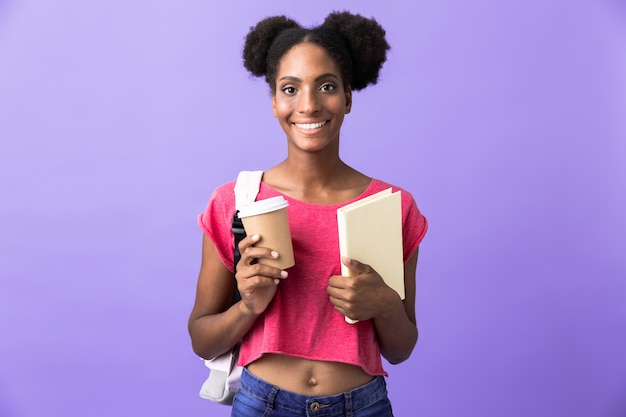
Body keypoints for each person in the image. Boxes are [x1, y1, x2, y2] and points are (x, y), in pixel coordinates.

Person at [188, 11, 428, 417]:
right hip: (262, 404)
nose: (309, 105)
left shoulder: (392, 206)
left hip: (363, 406)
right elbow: (202, 339)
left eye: (327, 86)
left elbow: (400, 349)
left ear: (348, 97)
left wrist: (385, 304)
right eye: (290, 88)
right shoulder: (236, 202)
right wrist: (248, 305)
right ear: (274, 102)